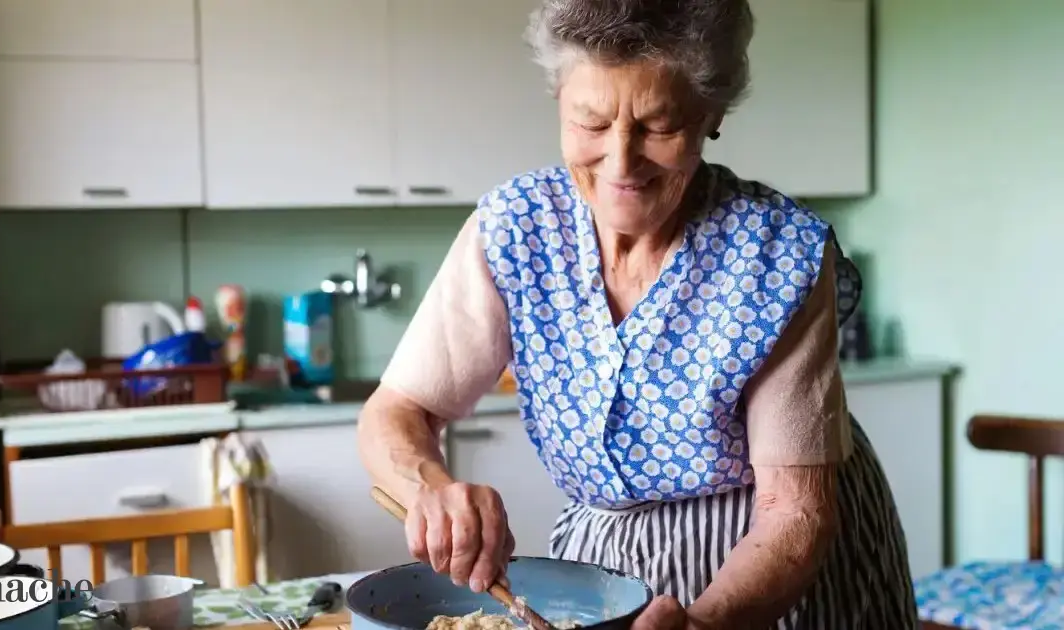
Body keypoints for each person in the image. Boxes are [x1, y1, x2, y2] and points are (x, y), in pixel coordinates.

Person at [358, 0, 917, 627]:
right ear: (559, 101)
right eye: (591, 123)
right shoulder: (514, 227)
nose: (621, 162)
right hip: (605, 563)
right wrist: (429, 489)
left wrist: (703, 623)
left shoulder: (779, 254)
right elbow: (397, 410)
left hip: (772, 572)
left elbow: (794, 512)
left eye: (658, 126)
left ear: (711, 115)